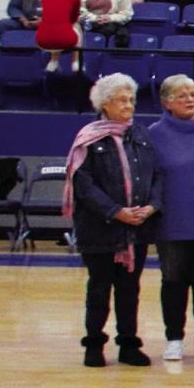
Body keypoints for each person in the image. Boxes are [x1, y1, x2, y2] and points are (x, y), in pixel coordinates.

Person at [67, 73, 160, 367]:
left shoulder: (141, 135)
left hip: (137, 228)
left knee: (130, 289)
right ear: (105, 103)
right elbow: (83, 184)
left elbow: (156, 174)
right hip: (100, 228)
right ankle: (94, 345)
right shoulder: (88, 137)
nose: (129, 105)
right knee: (99, 287)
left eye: (132, 99)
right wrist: (115, 211)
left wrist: (152, 206)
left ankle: (128, 345)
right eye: (122, 100)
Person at [146, 75, 194, 362]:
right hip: (172, 222)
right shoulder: (154, 133)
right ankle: (174, 338)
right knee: (174, 279)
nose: (190, 99)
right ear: (167, 102)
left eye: (193, 94)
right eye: (182, 96)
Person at [35, 0, 81, 73]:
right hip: (66, 40)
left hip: (41, 40)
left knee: (55, 24)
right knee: (75, 25)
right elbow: (74, 18)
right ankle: (75, 62)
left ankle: (53, 61)